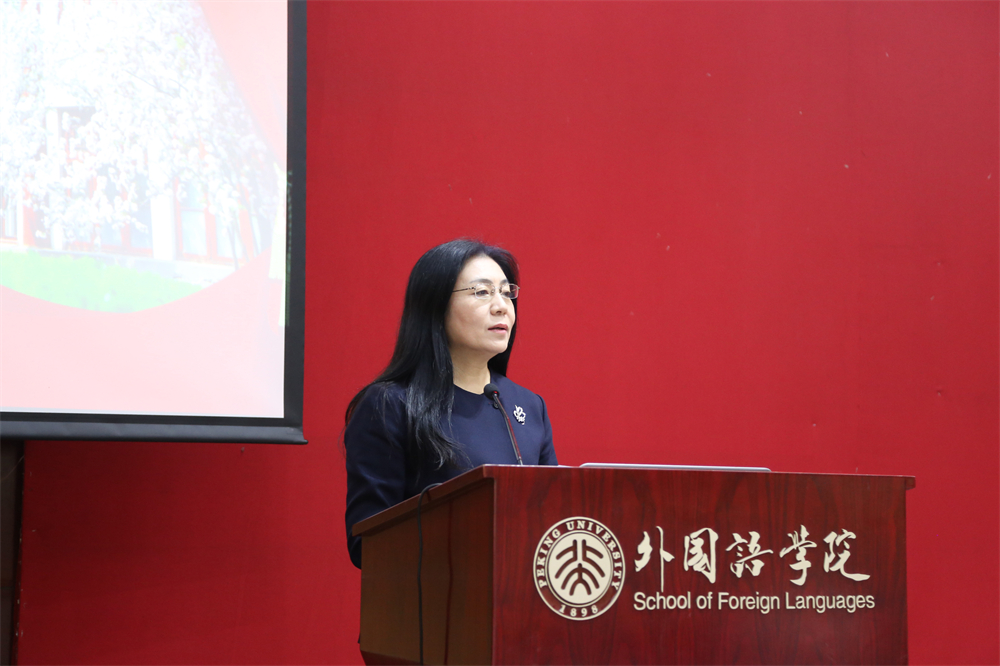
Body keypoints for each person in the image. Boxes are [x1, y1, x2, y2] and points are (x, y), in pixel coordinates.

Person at [344, 239, 558, 568]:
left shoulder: (528, 406)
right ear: (436, 305)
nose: (501, 306)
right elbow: (367, 543)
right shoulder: (391, 405)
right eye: (482, 292)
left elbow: (554, 517)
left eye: (506, 292)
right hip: (441, 592)